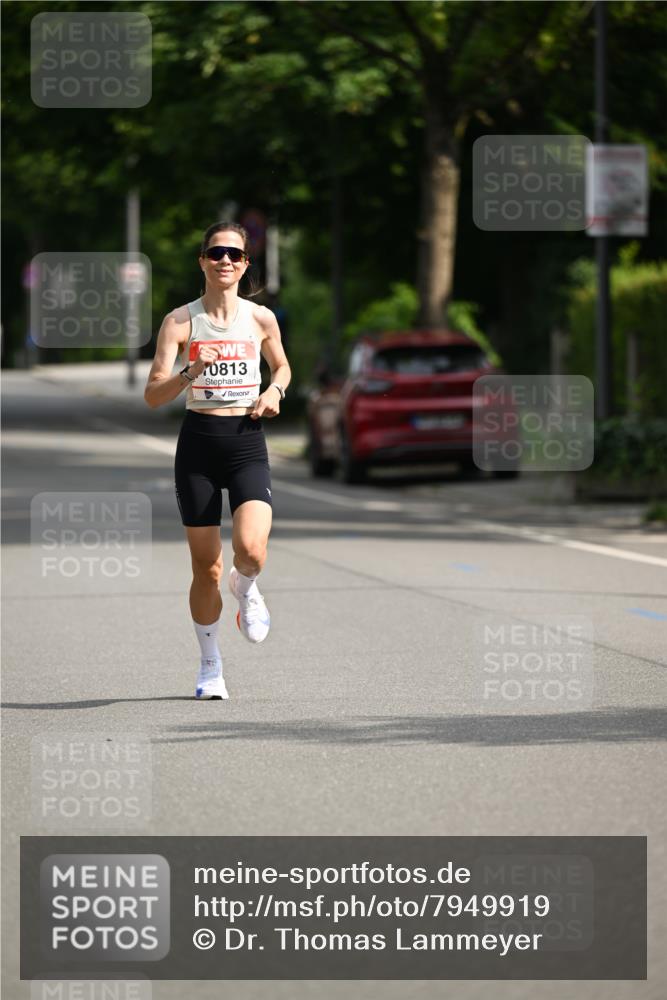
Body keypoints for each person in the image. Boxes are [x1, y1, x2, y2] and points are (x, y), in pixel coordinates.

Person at [144, 221, 291, 700]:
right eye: (216, 253)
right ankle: (210, 665)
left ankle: (245, 588)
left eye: (234, 254)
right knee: (206, 568)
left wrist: (275, 390)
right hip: (199, 448)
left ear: (245, 264)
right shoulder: (179, 322)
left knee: (252, 550)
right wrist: (190, 372)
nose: (225, 260)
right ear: (202, 261)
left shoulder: (261, 318)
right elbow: (152, 395)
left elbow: (282, 367)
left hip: (246, 443)